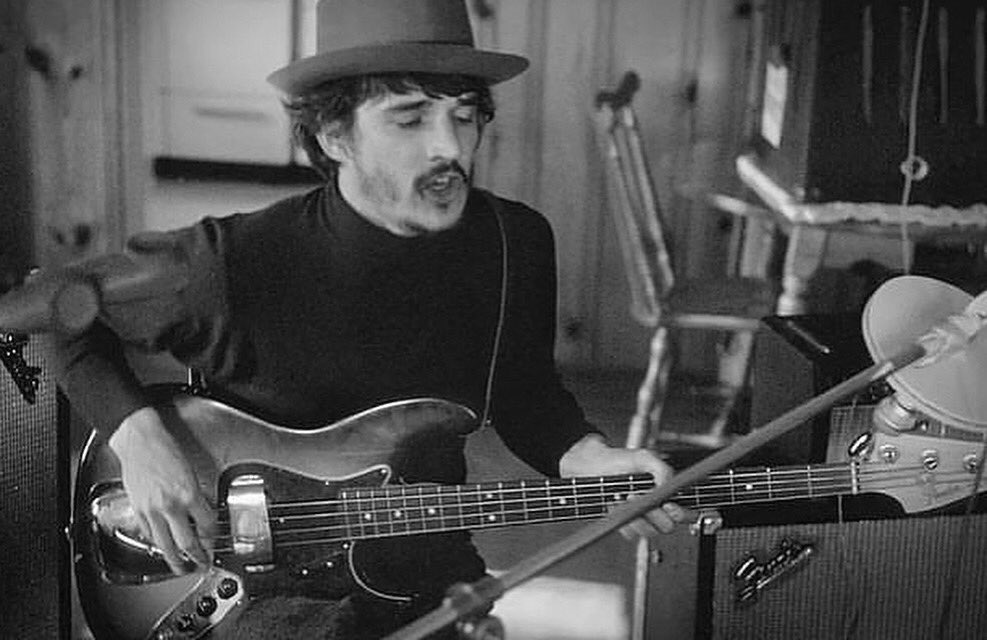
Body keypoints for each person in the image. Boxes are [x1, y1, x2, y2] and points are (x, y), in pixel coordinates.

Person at [55, 0, 687, 637]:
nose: (450, 149)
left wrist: (587, 456)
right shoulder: (234, 264)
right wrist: (136, 436)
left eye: (464, 118)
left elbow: (524, 392)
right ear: (335, 136)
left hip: (422, 563)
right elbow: (54, 308)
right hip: (255, 593)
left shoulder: (512, 243)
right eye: (410, 120)